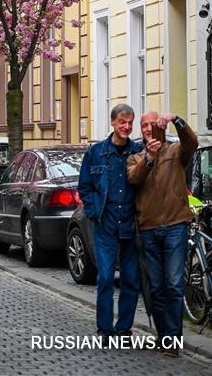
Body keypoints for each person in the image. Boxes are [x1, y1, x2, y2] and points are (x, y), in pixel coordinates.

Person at [127, 111, 198, 356]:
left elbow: (193, 142)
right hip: (147, 228)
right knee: (156, 288)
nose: (148, 129)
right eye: (144, 125)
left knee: (174, 285)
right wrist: (149, 158)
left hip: (175, 226)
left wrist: (176, 120)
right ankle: (164, 335)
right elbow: (134, 179)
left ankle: (173, 343)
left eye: (152, 124)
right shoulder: (135, 157)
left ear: (159, 126)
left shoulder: (176, 151)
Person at [78, 104, 142, 345]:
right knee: (105, 276)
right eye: (122, 122)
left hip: (129, 223)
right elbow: (85, 187)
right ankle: (105, 329)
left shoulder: (137, 152)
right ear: (113, 123)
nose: (126, 127)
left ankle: (124, 330)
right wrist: (95, 212)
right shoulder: (96, 153)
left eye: (130, 123)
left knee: (130, 279)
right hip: (105, 224)